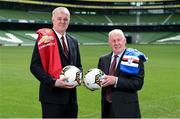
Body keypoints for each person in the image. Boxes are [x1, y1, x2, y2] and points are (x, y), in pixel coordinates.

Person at [30, 7, 82, 118]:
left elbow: (78, 66)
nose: (62, 21)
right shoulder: (44, 39)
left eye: (65, 19)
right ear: (53, 19)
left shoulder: (74, 41)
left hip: (71, 100)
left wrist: (79, 77)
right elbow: (34, 66)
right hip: (51, 98)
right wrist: (53, 82)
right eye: (59, 18)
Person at [98, 29, 147, 118]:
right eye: (113, 41)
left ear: (124, 41)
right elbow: (101, 81)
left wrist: (116, 80)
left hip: (127, 110)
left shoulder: (134, 58)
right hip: (107, 109)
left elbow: (138, 84)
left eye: (119, 40)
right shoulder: (103, 59)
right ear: (109, 42)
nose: (116, 43)